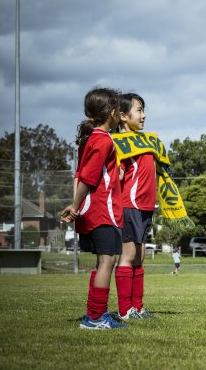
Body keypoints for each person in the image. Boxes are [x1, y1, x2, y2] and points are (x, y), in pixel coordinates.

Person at [61, 87, 126, 329]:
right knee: (107, 261)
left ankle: (95, 312)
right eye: (119, 109)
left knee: (103, 262)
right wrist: (74, 206)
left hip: (94, 210)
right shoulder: (103, 140)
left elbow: (80, 174)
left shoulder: (91, 139)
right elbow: (87, 178)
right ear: (112, 113)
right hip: (102, 211)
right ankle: (96, 318)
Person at [113, 93, 155, 320]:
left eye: (143, 110)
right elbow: (115, 173)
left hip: (146, 207)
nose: (143, 115)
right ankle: (124, 310)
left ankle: (137, 307)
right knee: (128, 256)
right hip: (129, 205)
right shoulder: (118, 142)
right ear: (122, 116)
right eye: (139, 110)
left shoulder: (145, 140)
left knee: (140, 257)